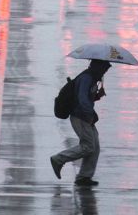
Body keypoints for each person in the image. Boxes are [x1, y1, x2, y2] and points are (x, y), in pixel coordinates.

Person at [50, 58, 111, 187]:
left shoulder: (92, 78)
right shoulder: (86, 78)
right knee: (88, 146)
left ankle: (84, 177)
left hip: (86, 117)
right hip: (80, 117)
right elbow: (82, 99)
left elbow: (87, 97)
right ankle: (58, 159)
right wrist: (89, 114)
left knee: (94, 147)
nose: (105, 71)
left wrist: (97, 96)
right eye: (104, 68)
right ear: (98, 66)